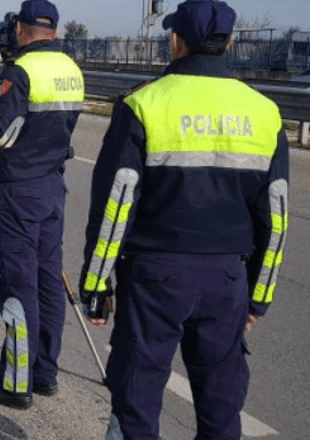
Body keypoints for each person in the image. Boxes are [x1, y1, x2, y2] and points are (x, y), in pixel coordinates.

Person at [78, 0, 289, 438]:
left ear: (176, 41)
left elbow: (116, 206)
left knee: (136, 404)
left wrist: (97, 283)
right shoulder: (264, 113)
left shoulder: (143, 104)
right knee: (221, 409)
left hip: (155, 279)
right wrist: (258, 297)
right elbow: (277, 217)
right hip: (227, 281)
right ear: (229, 42)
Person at [0, 0, 84, 409]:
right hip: (53, 185)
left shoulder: (21, 73)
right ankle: (44, 372)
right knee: (48, 280)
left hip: (18, 190)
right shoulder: (71, 69)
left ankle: (16, 383)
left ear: (20, 28)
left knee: (18, 289)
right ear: (53, 30)